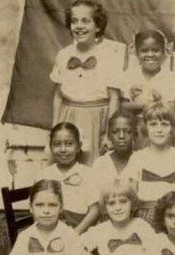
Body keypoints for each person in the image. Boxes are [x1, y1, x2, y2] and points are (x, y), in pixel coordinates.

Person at [50, 0, 124, 164]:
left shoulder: (109, 55)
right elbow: (57, 96)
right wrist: (54, 128)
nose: (79, 26)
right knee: (65, 167)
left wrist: (109, 133)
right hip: (68, 116)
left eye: (86, 21)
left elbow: (114, 98)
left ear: (97, 26)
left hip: (97, 119)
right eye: (74, 21)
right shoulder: (64, 55)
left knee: (93, 168)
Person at [120, 29, 175, 149]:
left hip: (162, 132)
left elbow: (172, 111)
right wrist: (142, 104)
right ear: (136, 52)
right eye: (144, 51)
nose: (150, 54)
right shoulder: (129, 75)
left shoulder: (172, 78)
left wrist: (148, 104)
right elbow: (122, 107)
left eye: (155, 50)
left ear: (163, 52)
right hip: (135, 131)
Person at [125, 103, 175, 229]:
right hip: (145, 217)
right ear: (145, 128)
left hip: (174, 217)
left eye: (164, 124)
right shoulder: (137, 158)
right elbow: (130, 196)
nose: (159, 130)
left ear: (173, 128)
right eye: (153, 124)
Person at [80, 179, 156, 255]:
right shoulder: (100, 230)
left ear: (132, 203)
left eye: (123, 202)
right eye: (112, 203)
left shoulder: (142, 226)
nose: (118, 208)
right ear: (105, 207)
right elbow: (75, 246)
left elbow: (154, 249)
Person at [37, 122, 99, 233]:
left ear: (78, 147)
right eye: (57, 144)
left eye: (69, 144)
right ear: (50, 147)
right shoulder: (44, 175)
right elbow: (37, 208)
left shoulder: (88, 174)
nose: (63, 149)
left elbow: (94, 210)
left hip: (81, 230)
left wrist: (75, 234)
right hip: (51, 229)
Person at [92, 111, 135, 193]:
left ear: (134, 134)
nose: (121, 136)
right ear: (109, 136)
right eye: (115, 132)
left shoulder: (141, 162)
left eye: (127, 131)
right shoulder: (100, 163)